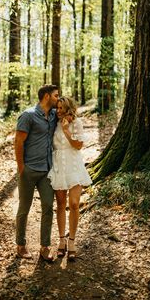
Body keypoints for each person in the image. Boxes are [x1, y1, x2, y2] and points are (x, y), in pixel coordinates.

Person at [15, 84, 59, 261]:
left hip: (47, 170)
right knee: (24, 208)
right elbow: (18, 141)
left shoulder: (55, 114)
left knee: (48, 207)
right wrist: (21, 167)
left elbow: (70, 114)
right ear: (47, 96)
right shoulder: (28, 115)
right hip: (29, 170)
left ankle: (45, 246)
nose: (58, 98)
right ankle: (20, 244)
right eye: (56, 95)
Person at [48, 97, 92, 261]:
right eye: (57, 108)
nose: (58, 111)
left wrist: (67, 131)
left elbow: (79, 146)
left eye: (61, 108)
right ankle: (61, 240)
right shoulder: (54, 122)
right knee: (60, 204)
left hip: (74, 166)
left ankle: (72, 241)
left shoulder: (76, 123)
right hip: (59, 165)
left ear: (68, 109)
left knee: (73, 203)